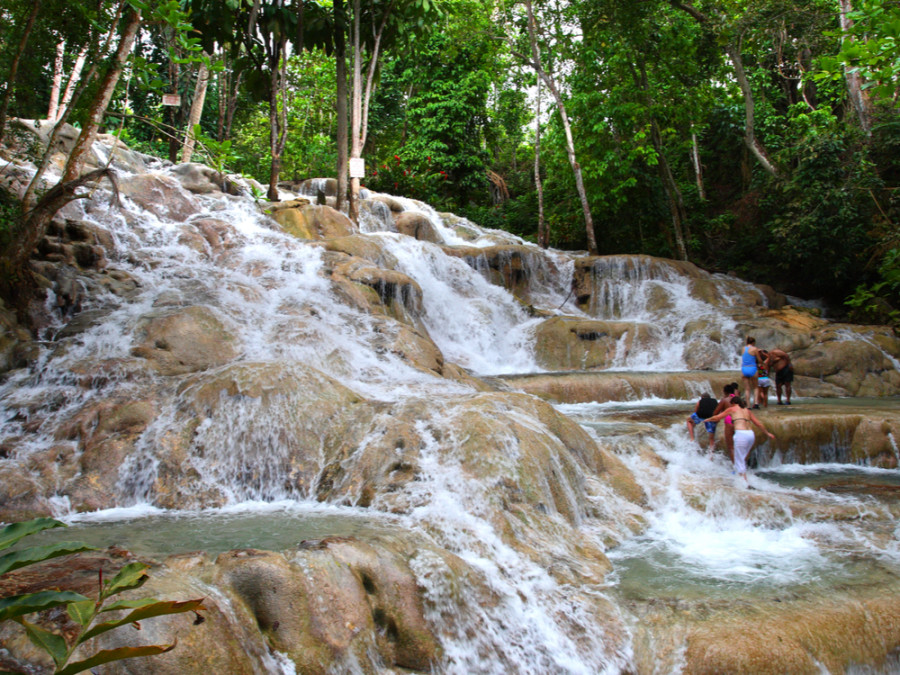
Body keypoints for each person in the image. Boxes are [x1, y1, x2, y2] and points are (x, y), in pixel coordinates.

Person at [706, 395, 775, 484]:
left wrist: (707, 419)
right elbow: (758, 423)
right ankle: (743, 477)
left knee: (739, 459)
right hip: (750, 435)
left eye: (731, 404)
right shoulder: (747, 410)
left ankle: (744, 483)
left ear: (734, 403)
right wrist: (767, 433)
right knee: (742, 457)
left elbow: (717, 417)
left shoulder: (732, 409)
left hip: (741, 435)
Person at [712, 382, 738, 463]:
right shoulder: (739, 399)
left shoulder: (724, 400)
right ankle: (743, 465)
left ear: (725, 392)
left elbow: (716, 412)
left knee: (730, 447)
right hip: (741, 421)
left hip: (730, 421)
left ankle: (736, 467)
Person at [740, 336, 762, 406]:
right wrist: (763, 363)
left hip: (744, 369)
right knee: (755, 387)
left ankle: (748, 405)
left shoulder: (743, 348)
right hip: (752, 368)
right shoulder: (755, 349)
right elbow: (759, 360)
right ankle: (756, 403)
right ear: (753, 342)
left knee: (747, 389)